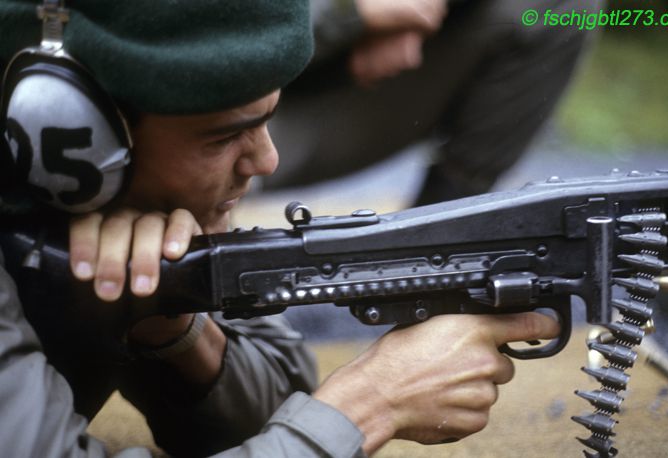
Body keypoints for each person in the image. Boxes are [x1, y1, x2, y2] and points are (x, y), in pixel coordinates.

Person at [0, 1, 559, 457]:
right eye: (222, 138)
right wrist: (370, 407)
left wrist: (171, 327)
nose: (265, 161)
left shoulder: (149, 203)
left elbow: (276, 409)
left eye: (267, 119)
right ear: (65, 138)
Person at [263, 0, 602, 206]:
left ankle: (437, 262)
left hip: (311, 105)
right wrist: (353, 14)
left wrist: (413, 12)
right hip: (222, 109)